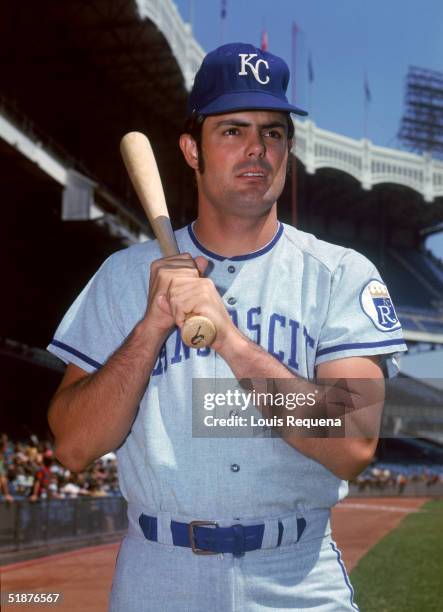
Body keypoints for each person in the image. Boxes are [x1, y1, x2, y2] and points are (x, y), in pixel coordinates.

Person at [47, 43, 407, 611]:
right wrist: (151, 327)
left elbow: (353, 442)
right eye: (233, 130)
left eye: (273, 132)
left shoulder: (339, 273)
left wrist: (231, 340)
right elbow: (72, 446)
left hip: (295, 577)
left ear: (289, 149)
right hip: (158, 573)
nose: (257, 150)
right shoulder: (123, 276)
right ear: (192, 150)